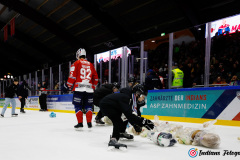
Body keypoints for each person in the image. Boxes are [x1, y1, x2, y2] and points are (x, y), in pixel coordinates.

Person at [99, 84, 154, 149]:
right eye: (143, 96)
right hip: (107, 105)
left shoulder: (132, 99)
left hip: (112, 106)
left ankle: (121, 132)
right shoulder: (127, 98)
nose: (143, 98)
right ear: (138, 94)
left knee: (124, 118)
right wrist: (144, 122)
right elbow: (129, 115)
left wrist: (136, 124)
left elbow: (133, 114)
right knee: (117, 121)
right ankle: (113, 139)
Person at [67, 48, 99, 129]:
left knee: (77, 106)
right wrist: (93, 86)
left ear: (78, 55)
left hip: (78, 89)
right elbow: (95, 78)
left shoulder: (75, 63)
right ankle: (89, 123)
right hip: (89, 89)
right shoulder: (91, 64)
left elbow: (72, 76)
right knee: (88, 106)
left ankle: (80, 123)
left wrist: (69, 85)